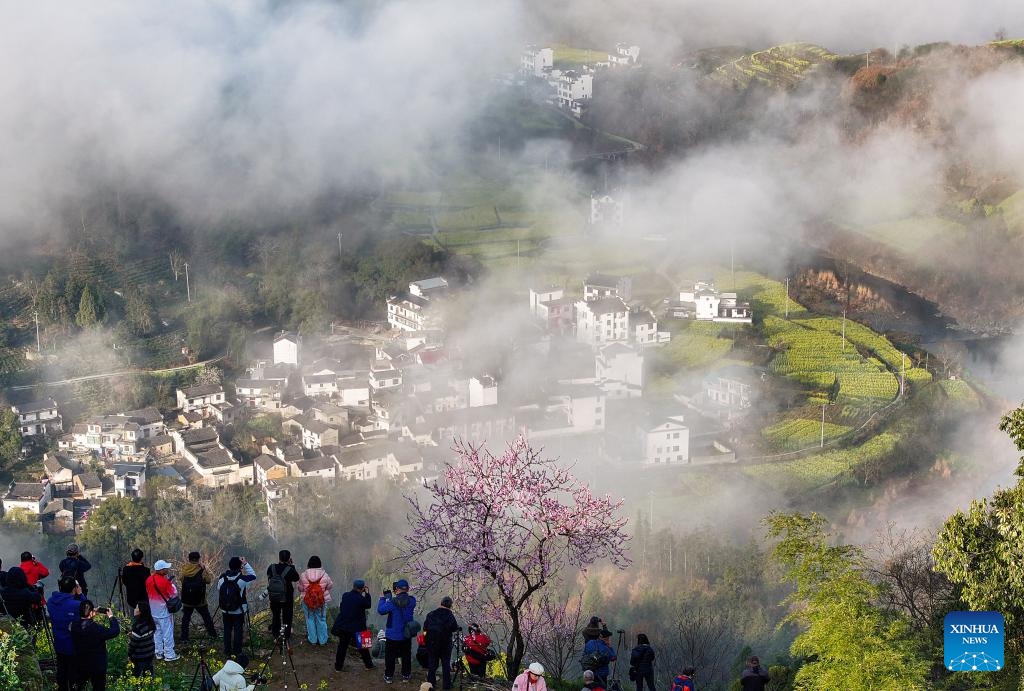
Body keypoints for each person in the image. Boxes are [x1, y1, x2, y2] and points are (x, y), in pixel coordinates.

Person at [69, 600, 120, 691]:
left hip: (80, 662)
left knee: (78, 686)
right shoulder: (96, 629)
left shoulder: (74, 626)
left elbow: (81, 618)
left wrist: (91, 612)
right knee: (98, 687)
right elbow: (115, 631)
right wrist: (111, 617)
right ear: (91, 612)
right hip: (97, 665)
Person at [46, 576, 83, 691]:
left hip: (59, 643)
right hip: (74, 646)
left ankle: (62, 688)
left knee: (62, 670)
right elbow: (87, 610)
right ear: (74, 589)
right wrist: (80, 594)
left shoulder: (51, 602)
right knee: (74, 674)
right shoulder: (76, 605)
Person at [377, 578, 417, 683]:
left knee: (390, 656)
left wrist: (383, 599)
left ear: (397, 589)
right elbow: (404, 600)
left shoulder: (392, 602)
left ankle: (389, 676)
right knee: (406, 655)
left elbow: (381, 610)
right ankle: (406, 675)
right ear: (407, 589)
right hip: (406, 634)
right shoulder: (412, 601)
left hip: (392, 634)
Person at [331, 578, 375, 671]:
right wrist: (367, 593)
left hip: (344, 625)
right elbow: (368, 604)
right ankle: (369, 665)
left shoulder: (345, 595)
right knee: (364, 647)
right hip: (359, 626)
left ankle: (338, 667)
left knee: (342, 647)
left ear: (353, 586)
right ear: (362, 588)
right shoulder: (361, 599)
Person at [217, 556, 257, 658]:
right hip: (238, 610)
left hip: (225, 610)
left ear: (229, 566)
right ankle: (237, 651)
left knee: (227, 630)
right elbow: (253, 575)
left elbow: (219, 590)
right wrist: (245, 563)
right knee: (238, 630)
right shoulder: (242, 579)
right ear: (240, 567)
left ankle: (227, 651)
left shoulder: (222, 578)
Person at [424, 595, 460, 690]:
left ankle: (430, 685)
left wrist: (426, 640)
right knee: (445, 665)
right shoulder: (450, 615)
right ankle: (446, 686)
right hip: (445, 644)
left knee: (432, 664)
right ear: (450, 606)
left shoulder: (431, 614)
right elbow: (454, 628)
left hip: (432, 643)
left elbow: (425, 628)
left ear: (441, 603)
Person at [180, 551, 218, 643]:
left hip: (187, 600)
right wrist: (204, 569)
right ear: (198, 559)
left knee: (186, 619)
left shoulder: (184, 569)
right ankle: (212, 635)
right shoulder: (201, 569)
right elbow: (208, 581)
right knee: (206, 617)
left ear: (189, 559)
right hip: (200, 600)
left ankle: (184, 638)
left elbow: (181, 580)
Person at [146, 559, 179, 662]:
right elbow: (174, 594)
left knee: (157, 632)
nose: (167, 569)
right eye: (165, 568)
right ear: (161, 570)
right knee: (167, 633)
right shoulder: (165, 582)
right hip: (164, 612)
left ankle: (158, 652)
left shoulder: (148, 580)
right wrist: (171, 585)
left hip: (153, 611)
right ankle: (169, 654)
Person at [297, 555, 333, 645]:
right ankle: (322, 640)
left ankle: (312, 640)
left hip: (307, 601)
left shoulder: (304, 574)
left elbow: (300, 588)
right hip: (321, 601)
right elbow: (330, 586)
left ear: (309, 564)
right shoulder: (324, 574)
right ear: (319, 564)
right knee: (321, 619)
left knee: (310, 619)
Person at [266, 549, 299, 641]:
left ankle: (275, 635)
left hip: (274, 597)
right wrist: (292, 565)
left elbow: (268, 576)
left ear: (279, 557)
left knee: (276, 615)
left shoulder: (271, 567)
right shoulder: (290, 570)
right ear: (289, 558)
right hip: (287, 597)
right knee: (287, 617)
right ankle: (286, 635)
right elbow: (296, 578)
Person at [128, 600, 157, 677]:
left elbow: (132, 645)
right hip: (150, 653)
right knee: (149, 674)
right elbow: (144, 637)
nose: (135, 609)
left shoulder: (137, 627)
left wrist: (129, 655)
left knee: (136, 675)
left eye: (136, 608)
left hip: (140, 656)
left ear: (140, 612)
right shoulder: (150, 623)